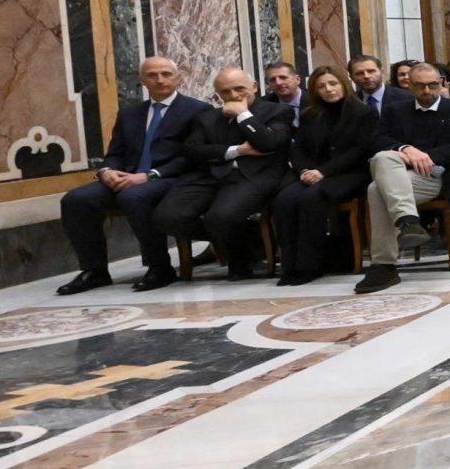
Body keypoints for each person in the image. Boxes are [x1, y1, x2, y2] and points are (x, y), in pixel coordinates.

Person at [56, 55, 213, 294]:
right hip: (128, 178)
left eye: (166, 74)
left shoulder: (198, 110)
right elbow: (115, 152)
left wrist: (150, 175)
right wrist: (107, 171)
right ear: (142, 80)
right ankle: (94, 271)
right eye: (152, 75)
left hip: (172, 179)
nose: (160, 80)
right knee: (76, 200)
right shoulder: (130, 113)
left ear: (178, 78)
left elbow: (193, 156)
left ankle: (159, 267)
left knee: (134, 197)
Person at [158, 65, 296, 280]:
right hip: (208, 176)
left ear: (255, 87)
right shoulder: (207, 118)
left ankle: (240, 256)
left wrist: (243, 115)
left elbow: (268, 143)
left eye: (239, 89)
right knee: (167, 216)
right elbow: (192, 150)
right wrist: (236, 151)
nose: (233, 96)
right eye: (225, 92)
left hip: (253, 176)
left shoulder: (277, 111)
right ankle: (249, 239)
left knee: (221, 217)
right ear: (218, 94)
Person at [354, 63, 450, 293]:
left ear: (442, 83)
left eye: (433, 85)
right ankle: (408, 221)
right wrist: (406, 149)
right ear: (409, 86)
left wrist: (424, 157)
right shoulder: (395, 110)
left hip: (441, 176)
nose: (428, 91)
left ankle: (384, 265)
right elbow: (377, 139)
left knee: (376, 189)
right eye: (421, 86)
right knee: (383, 159)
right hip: (402, 175)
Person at [270, 65, 376, 285]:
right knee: (284, 199)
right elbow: (298, 148)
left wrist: (323, 172)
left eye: (333, 83)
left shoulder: (362, 112)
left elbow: (360, 151)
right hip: (314, 173)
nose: (328, 89)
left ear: (344, 84)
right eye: (321, 86)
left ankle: (310, 266)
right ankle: (290, 266)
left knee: (311, 198)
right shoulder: (311, 114)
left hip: (349, 173)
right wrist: (305, 170)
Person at [346, 52, 407, 121]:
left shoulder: (405, 98)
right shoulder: (349, 102)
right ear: (351, 77)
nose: (366, 76)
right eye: (359, 73)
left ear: (382, 72)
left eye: (371, 71)